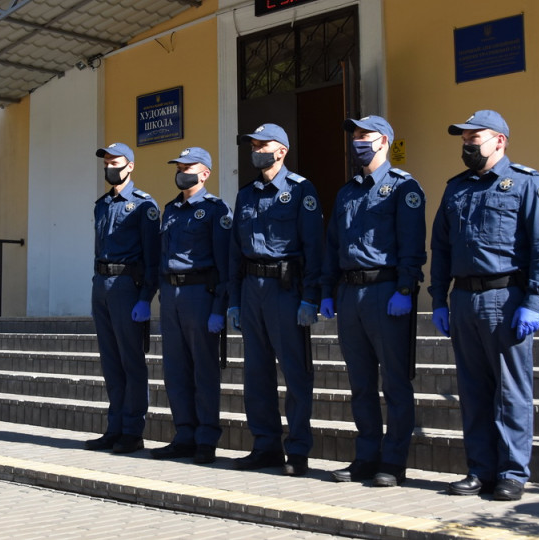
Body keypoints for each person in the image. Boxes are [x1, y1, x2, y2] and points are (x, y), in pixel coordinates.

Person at [430, 110, 539, 501]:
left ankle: (512, 473)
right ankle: (480, 470)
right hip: (464, 298)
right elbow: (441, 247)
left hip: (507, 299)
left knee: (511, 390)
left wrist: (534, 300)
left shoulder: (525, 183)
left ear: (499, 140)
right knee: (473, 390)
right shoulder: (455, 189)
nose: (467, 144)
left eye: (475, 137)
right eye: (463, 139)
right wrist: (439, 298)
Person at [320, 115, 426, 487]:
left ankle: (393, 461)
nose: (357, 142)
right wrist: (327, 290)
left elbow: (412, 245)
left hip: (385, 292)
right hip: (349, 293)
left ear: (383, 141)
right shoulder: (347, 192)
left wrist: (405, 289)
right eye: (355, 136)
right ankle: (366, 456)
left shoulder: (402, 187)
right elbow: (332, 244)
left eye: (365, 136)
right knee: (360, 382)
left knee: (394, 382)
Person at [227, 123, 323, 475]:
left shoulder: (301, 191)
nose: (256, 150)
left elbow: (314, 249)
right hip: (252, 290)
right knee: (256, 374)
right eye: (253, 145)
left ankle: (297, 450)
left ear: (281, 150)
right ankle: (265, 445)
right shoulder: (245, 195)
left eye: (262, 144)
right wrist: (234, 300)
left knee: (296, 373)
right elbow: (235, 252)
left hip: (286, 289)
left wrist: (311, 297)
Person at [151, 147, 232, 464]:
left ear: (205, 173)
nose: (181, 170)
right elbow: (161, 255)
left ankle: (206, 439)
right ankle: (183, 434)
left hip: (201, 294)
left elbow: (224, 263)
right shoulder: (169, 209)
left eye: (188, 166)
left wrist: (219, 308)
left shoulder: (215, 210)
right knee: (175, 370)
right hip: (171, 296)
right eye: (179, 166)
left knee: (204, 370)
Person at [86, 142, 161, 454]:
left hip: (128, 287)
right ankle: (114, 427)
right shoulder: (101, 204)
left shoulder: (145, 205)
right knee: (110, 361)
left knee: (131, 361)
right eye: (106, 163)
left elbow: (153, 257)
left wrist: (145, 297)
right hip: (102, 285)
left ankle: (132, 430)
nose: (109, 167)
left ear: (130, 166)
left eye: (115, 162)